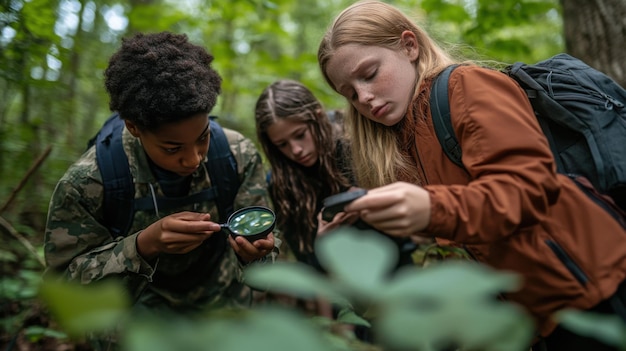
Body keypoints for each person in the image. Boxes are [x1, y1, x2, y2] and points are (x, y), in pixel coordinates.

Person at [317, 1, 626, 350]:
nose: (364, 97)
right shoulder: (401, 141)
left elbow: (528, 188)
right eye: (350, 93)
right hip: (528, 322)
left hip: (593, 289)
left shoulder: (465, 87)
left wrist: (431, 209)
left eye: (369, 74)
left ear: (409, 45)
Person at [44, 32, 278, 326]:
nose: (193, 159)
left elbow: (266, 267)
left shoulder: (237, 156)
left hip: (221, 313)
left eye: (203, 137)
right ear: (134, 128)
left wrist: (255, 255)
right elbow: (64, 288)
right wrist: (143, 246)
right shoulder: (89, 181)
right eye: (172, 148)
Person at [254, 79, 354, 272]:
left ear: (317, 117)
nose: (296, 150)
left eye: (300, 135)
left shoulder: (354, 141)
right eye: (282, 144)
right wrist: (323, 244)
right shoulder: (279, 182)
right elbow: (305, 262)